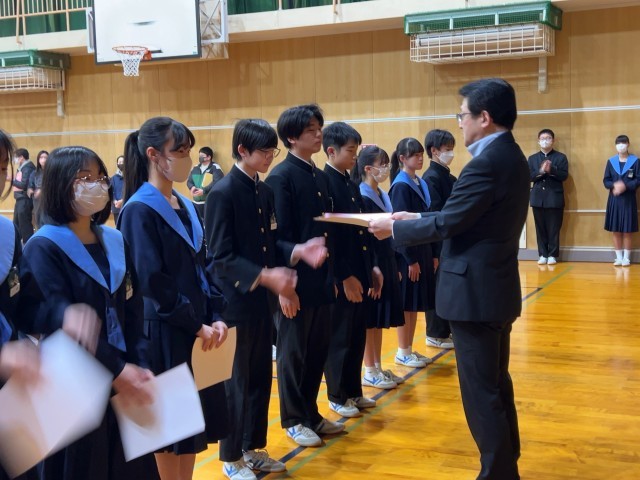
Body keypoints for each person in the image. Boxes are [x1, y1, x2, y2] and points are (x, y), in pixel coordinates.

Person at [369, 78, 528, 480]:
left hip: (474, 294)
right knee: (495, 384)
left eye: (463, 115)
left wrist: (395, 228)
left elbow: (451, 222)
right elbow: (461, 216)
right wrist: (414, 217)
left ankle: (498, 473)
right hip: (495, 288)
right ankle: (507, 462)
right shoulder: (512, 155)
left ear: (484, 118)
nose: (460, 123)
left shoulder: (486, 164)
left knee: (481, 393)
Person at [18, 145, 160, 480]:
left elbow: (133, 307)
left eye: (99, 177)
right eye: (84, 178)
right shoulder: (43, 247)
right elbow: (60, 323)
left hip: (125, 384)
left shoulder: (114, 240)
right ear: (60, 184)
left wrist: (139, 363)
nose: (96, 185)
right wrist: (118, 370)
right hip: (75, 391)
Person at [205, 118, 328, 480]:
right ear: (242, 150)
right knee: (236, 382)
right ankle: (231, 457)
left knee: (260, 378)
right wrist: (264, 276)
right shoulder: (222, 193)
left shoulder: (264, 191)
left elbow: (271, 244)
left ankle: (252, 448)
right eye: (263, 151)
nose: (270, 157)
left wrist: (298, 251)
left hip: (262, 302)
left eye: (273, 150)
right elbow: (220, 257)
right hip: (235, 304)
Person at [118, 117, 229, 480]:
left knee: (189, 434)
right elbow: (152, 280)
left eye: (188, 151)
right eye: (179, 151)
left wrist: (215, 314)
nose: (187, 159)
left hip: (195, 331)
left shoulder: (186, 204)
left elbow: (205, 265)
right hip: (164, 333)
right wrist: (194, 323)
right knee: (168, 436)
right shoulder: (138, 209)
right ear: (153, 154)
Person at [265, 104, 344, 447]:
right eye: (311, 130)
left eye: (319, 128)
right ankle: (294, 419)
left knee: (317, 351)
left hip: (321, 280)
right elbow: (275, 239)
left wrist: (334, 276)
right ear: (292, 137)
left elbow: (327, 232)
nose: (318, 134)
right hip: (294, 282)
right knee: (293, 354)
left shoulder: (320, 176)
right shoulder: (280, 178)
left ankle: (311, 413)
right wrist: (284, 287)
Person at [321, 122, 381, 417]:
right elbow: (332, 237)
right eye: (350, 150)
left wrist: (373, 267)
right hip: (343, 274)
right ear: (331, 151)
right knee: (340, 337)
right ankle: (337, 395)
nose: (354, 156)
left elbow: (362, 231)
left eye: (356, 150)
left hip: (360, 269)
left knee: (357, 335)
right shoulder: (326, 183)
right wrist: (343, 276)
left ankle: (354, 390)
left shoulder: (349, 182)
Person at [0, 129, 42, 480]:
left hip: (10, 394)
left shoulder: (6, 232)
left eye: (2, 167)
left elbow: (22, 301)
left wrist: (61, 317)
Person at [351, 145, 404, 390]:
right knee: (370, 319)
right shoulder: (361, 196)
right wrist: (372, 268)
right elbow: (364, 237)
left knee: (380, 319)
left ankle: (378, 366)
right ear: (367, 168)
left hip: (387, 259)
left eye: (386, 163)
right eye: (381, 164)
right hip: (373, 263)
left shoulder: (382, 194)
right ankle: (369, 369)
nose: (386, 168)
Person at [388, 137, 434, 368]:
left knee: (415, 304)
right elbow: (399, 227)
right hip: (407, 255)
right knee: (406, 304)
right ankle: (402, 350)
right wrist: (410, 259)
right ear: (402, 158)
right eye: (415, 155)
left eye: (421, 154)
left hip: (421, 250)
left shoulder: (419, 182)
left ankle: (408, 348)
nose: (420, 158)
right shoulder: (400, 185)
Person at [421, 129, 456, 350]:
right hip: (438, 243)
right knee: (436, 289)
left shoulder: (448, 176)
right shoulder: (431, 178)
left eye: (452, 149)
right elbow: (435, 215)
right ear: (434, 151)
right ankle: (435, 333)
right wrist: (435, 252)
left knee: (447, 289)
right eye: (447, 149)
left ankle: (445, 330)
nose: (451, 153)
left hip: (450, 241)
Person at [528, 129, 569, 265]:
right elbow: (529, 176)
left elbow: (564, 176)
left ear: (553, 140)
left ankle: (552, 255)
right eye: (542, 138)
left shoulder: (561, 157)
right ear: (538, 141)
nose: (545, 141)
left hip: (554, 198)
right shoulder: (532, 158)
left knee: (554, 228)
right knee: (540, 228)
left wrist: (552, 170)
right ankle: (542, 254)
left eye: (548, 138)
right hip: (537, 198)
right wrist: (540, 171)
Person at [603, 134, 639, 266]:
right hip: (615, 199)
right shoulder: (611, 161)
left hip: (629, 199)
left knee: (627, 229)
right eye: (618, 143)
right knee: (616, 229)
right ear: (615, 145)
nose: (621, 145)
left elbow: (638, 179)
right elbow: (606, 180)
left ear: (628, 144)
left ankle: (626, 258)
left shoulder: (635, 161)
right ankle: (618, 257)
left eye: (623, 143)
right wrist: (614, 185)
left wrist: (625, 186)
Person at [187, 146, 224, 218]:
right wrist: (192, 187)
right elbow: (189, 181)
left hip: (210, 203)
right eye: (199, 155)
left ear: (208, 157)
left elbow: (218, 182)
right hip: (196, 203)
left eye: (202, 156)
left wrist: (204, 191)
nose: (199, 157)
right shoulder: (195, 168)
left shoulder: (215, 168)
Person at [12, 148, 35, 244]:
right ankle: (17, 244)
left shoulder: (28, 168)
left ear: (21, 157)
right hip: (20, 198)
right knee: (16, 223)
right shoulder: (22, 167)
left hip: (24, 199)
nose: (14, 159)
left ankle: (28, 245)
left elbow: (24, 185)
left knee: (24, 224)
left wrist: (11, 180)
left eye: (15, 157)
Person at [27, 150, 48, 228]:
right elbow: (30, 185)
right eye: (41, 157)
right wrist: (30, 190)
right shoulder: (34, 172)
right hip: (37, 201)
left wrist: (42, 190)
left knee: (48, 220)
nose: (43, 160)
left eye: (45, 157)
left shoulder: (52, 172)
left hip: (48, 200)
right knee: (38, 220)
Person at [110, 155, 125, 225]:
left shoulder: (130, 177)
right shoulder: (113, 178)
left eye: (123, 162)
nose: (121, 164)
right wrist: (115, 201)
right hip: (116, 208)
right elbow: (110, 192)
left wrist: (122, 201)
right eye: (120, 162)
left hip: (127, 206)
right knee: (118, 227)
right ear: (117, 164)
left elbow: (132, 191)